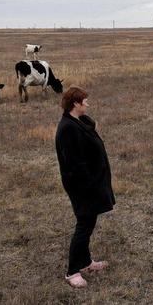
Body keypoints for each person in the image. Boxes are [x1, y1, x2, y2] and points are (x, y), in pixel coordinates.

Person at [55, 86, 115, 288]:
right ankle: (72, 272)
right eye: (84, 101)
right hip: (82, 186)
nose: (87, 103)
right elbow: (75, 164)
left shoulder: (79, 122)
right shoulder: (68, 128)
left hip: (90, 184)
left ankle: (86, 262)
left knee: (88, 223)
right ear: (75, 104)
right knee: (84, 226)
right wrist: (89, 185)